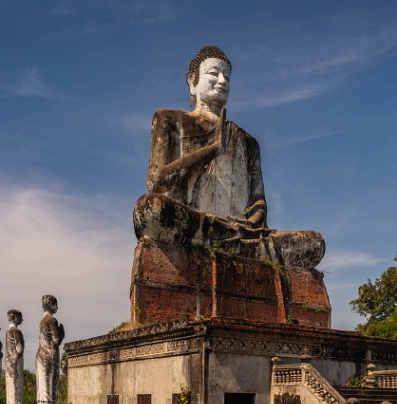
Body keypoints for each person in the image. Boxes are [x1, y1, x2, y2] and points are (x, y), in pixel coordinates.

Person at [133, 46, 325, 269]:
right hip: (195, 222)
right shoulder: (170, 120)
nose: (222, 81)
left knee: (313, 243)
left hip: (242, 232)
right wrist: (211, 149)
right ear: (192, 82)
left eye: (227, 77)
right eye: (214, 74)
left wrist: (252, 221)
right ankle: (226, 241)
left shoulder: (247, 141)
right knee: (149, 209)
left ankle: (236, 243)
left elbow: (258, 201)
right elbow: (156, 181)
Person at [37, 294, 65, 404]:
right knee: (49, 389)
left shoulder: (42, 320)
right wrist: (62, 333)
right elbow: (56, 340)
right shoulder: (51, 320)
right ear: (51, 305)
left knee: (43, 389)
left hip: (41, 356)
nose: (57, 307)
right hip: (49, 356)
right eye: (56, 304)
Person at [5, 309, 25, 404]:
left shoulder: (7, 332)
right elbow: (20, 349)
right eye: (20, 317)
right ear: (16, 317)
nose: (22, 320)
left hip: (8, 363)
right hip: (16, 362)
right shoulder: (16, 331)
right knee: (16, 390)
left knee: (11, 391)